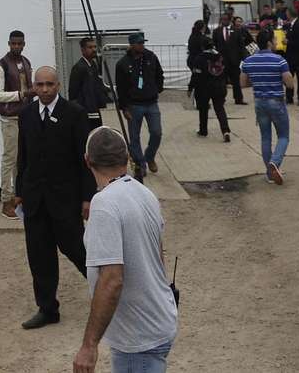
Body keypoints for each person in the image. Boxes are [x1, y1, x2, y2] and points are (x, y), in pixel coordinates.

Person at [73, 127, 178, 373]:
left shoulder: (104, 204)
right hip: (160, 319)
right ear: (127, 157)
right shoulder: (145, 193)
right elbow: (158, 255)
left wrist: (89, 346)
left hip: (137, 337)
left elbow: (111, 280)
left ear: (88, 161)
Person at [15, 66, 96, 330]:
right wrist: (19, 193)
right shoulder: (26, 114)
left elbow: (84, 160)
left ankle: (111, 295)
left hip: (65, 201)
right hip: (35, 201)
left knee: (79, 251)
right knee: (39, 257)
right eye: (40, 85)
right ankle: (47, 308)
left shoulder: (74, 113)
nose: (45, 89)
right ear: (34, 87)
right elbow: (23, 156)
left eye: (50, 84)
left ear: (58, 86)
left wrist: (87, 197)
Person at [240, 29, 294, 185]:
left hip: (259, 102)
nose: (277, 42)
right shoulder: (279, 60)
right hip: (276, 101)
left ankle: (270, 175)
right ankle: (274, 163)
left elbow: (243, 83)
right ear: (269, 42)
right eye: (275, 40)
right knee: (283, 136)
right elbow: (289, 84)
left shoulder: (248, 61)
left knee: (265, 137)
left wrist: (257, 81)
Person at [0, 30, 34, 219]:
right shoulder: (0, 66)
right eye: (13, 43)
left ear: (24, 44)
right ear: (8, 43)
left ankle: (20, 199)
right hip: (10, 119)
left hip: (25, 117)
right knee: (10, 160)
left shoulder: (26, 62)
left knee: (23, 160)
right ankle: (6, 201)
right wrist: (21, 95)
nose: (16, 46)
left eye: (20, 43)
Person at [115, 33, 164, 180]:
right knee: (134, 137)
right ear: (131, 45)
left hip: (151, 102)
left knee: (156, 132)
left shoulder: (151, 57)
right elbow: (121, 88)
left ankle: (149, 156)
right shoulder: (123, 63)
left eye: (143, 43)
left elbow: (159, 74)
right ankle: (140, 164)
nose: (142, 45)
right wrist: (124, 107)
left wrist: (157, 89)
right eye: (139, 43)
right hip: (134, 105)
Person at [188, 38, 231, 142]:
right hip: (219, 87)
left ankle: (203, 130)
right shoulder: (220, 56)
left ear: (202, 47)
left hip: (204, 88)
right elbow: (225, 71)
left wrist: (190, 87)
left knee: (203, 109)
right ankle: (225, 131)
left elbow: (195, 75)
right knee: (220, 109)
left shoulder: (199, 58)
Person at [69, 37, 109, 131]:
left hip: (95, 109)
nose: (94, 49)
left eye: (95, 47)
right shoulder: (79, 67)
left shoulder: (93, 65)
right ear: (83, 50)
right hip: (85, 111)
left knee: (97, 135)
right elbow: (73, 92)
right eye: (90, 47)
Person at [213, 13, 248, 105]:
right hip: (222, 61)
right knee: (221, 81)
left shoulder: (236, 31)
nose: (224, 21)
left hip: (234, 60)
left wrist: (244, 58)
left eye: (226, 19)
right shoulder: (217, 31)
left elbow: (241, 45)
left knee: (236, 81)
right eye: (222, 19)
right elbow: (215, 45)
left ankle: (238, 98)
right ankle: (221, 98)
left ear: (229, 20)